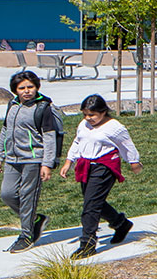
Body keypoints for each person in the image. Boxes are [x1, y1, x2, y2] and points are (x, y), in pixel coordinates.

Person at [59, 94, 141, 259]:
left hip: (104, 166)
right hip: (86, 166)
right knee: (94, 202)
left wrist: (134, 162)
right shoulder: (84, 125)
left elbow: (127, 145)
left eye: (92, 115)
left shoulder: (114, 127)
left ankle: (87, 244)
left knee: (90, 206)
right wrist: (69, 162)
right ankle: (121, 224)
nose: (88, 118)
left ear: (103, 112)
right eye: (85, 115)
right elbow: (77, 142)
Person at [0, 70, 64, 253]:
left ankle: (26, 235)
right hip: (12, 159)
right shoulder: (13, 104)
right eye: (21, 88)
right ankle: (35, 220)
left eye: (30, 87)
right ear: (15, 90)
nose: (26, 91)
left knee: (27, 196)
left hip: (34, 159)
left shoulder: (42, 107)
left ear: (37, 87)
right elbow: (5, 131)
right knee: (7, 194)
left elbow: (49, 137)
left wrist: (47, 164)